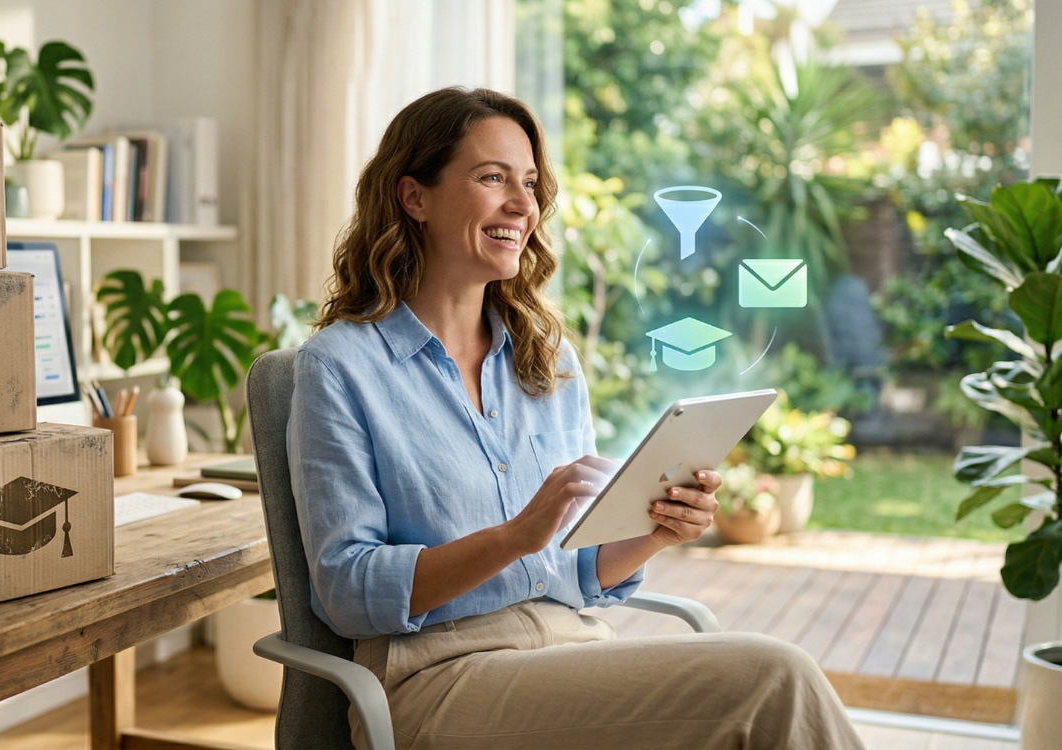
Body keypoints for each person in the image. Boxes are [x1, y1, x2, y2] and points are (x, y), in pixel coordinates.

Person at [286, 87, 865, 750]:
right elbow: (347, 591)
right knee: (772, 677)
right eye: (492, 178)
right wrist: (513, 537)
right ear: (414, 197)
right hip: (437, 679)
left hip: (569, 647)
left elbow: (577, 570)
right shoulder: (341, 367)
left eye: (530, 183)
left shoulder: (547, 359)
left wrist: (654, 532)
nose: (522, 205)